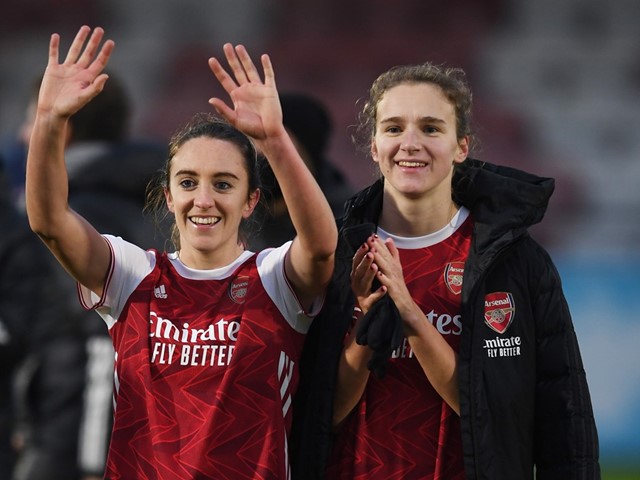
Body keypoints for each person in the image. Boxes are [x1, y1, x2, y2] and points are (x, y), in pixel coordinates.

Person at [25, 25, 337, 480]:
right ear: (168, 196)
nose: (203, 200)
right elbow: (49, 222)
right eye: (188, 182)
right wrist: (49, 121)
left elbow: (322, 247)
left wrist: (274, 141)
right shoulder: (132, 274)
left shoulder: (273, 279)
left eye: (224, 184)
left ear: (251, 200)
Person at [289, 62, 601, 479]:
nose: (410, 143)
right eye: (394, 128)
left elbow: (558, 416)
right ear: (375, 146)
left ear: (461, 146)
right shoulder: (336, 256)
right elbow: (318, 417)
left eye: (431, 129)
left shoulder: (515, 261)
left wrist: (409, 311)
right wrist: (369, 320)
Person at [13, 68, 168, 480]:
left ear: (62, 131)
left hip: (81, 435)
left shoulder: (70, 222)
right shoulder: (168, 207)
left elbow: (93, 344)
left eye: (33, 121)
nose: (24, 136)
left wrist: (86, 460)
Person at [254, 92, 353, 250]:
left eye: (273, 137)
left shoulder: (346, 217)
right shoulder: (241, 207)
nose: (259, 149)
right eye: (254, 138)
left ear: (306, 150)